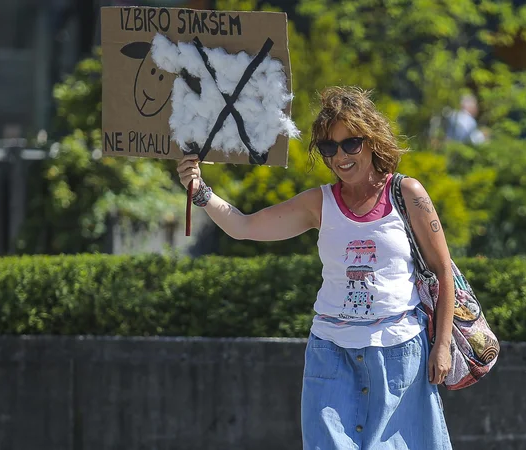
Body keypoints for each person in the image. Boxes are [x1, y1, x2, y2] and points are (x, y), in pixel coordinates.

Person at [177, 86, 454, 449]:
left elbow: (443, 270)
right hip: (331, 354)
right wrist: (201, 192)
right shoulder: (317, 203)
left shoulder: (408, 194)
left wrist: (443, 344)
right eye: (329, 147)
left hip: (399, 352)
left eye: (351, 144)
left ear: (372, 141)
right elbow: (244, 227)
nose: (340, 156)